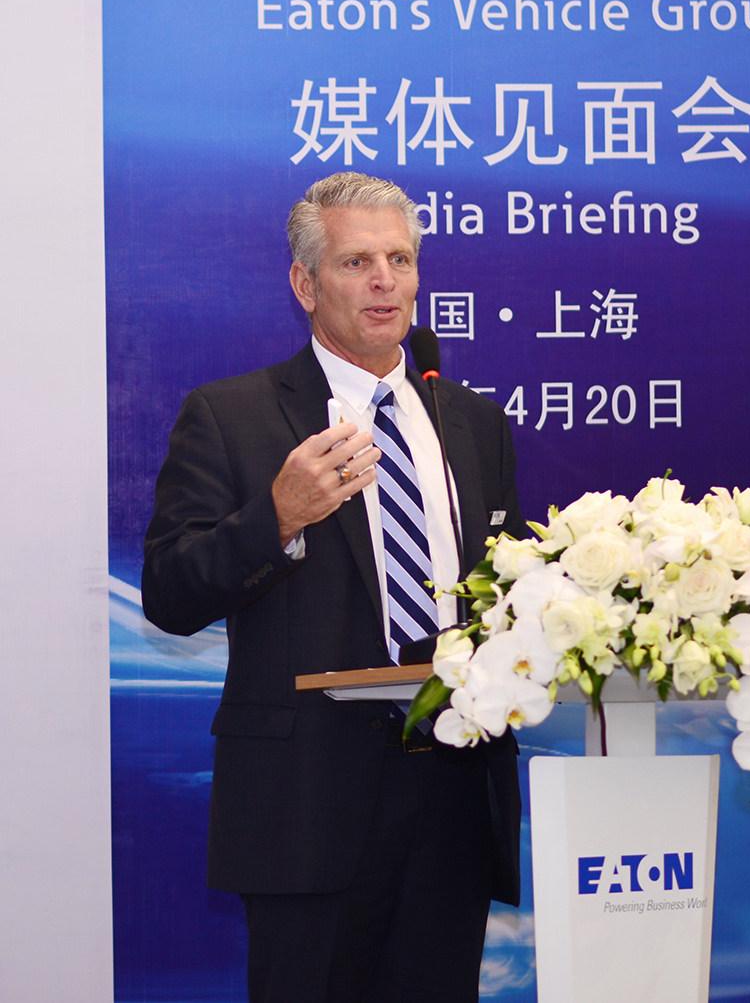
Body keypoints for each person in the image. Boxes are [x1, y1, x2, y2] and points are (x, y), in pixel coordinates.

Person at [142, 172, 525, 1003]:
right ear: (306, 283)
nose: (385, 280)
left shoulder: (469, 421)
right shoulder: (233, 416)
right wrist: (276, 517)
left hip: (455, 798)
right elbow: (169, 593)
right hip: (305, 806)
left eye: (400, 259)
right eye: (357, 262)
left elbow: (508, 588)